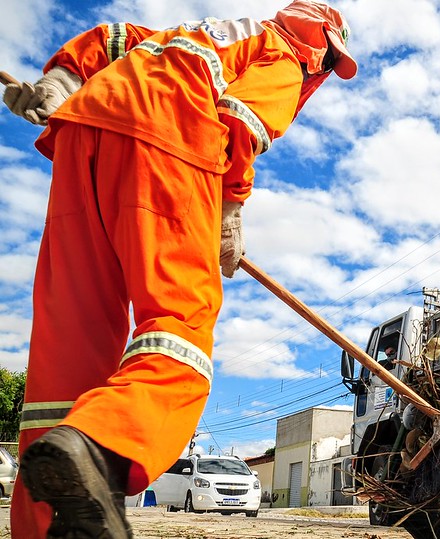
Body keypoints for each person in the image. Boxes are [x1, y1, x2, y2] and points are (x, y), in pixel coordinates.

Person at [3, 1, 356, 537]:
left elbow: (110, 37)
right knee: (180, 327)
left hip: (84, 131)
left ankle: (48, 519)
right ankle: (102, 445)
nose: (322, 72)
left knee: (71, 340)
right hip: (168, 146)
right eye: (329, 62)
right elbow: (242, 121)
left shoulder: (189, 34)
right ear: (321, 44)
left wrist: (61, 80)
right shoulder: (285, 54)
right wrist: (230, 212)